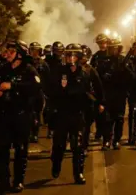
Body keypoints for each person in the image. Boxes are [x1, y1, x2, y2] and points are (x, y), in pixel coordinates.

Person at [0, 40, 42, 193]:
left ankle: (18, 181)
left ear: (19, 54)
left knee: (20, 150)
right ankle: (3, 181)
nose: (7, 54)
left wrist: (13, 86)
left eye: (11, 51)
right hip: (4, 116)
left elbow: (36, 87)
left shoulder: (29, 70)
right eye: (7, 51)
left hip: (22, 116)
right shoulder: (2, 70)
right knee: (1, 149)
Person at [50, 43, 91, 185]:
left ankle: (78, 173)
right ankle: (56, 165)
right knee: (59, 145)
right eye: (68, 55)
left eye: (74, 55)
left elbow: (88, 92)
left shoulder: (84, 73)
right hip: (62, 113)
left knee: (78, 146)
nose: (71, 58)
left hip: (77, 114)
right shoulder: (58, 72)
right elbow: (52, 91)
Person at [101, 38, 130, 150]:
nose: (114, 50)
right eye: (112, 48)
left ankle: (117, 140)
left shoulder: (124, 60)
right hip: (108, 94)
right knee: (107, 119)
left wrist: (125, 69)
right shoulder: (104, 61)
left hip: (120, 94)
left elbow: (131, 77)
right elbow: (98, 76)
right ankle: (107, 140)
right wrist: (105, 75)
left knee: (119, 118)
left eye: (115, 48)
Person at [79, 45, 104, 155]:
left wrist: (101, 102)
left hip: (87, 101)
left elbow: (98, 87)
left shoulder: (91, 70)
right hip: (74, 101)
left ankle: (84, 146)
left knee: (86, 125)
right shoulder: (70, 68)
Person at [28, 42, 50, 143]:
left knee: (36, 114)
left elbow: (47, 79)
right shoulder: (27, 63)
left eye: (36, 51)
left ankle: (35, 134)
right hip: (28, 92)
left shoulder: (43, 64)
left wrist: (45, 92)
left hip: (39, 92)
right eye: (33, 50)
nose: (34, 53)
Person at [90, 33, 109, 141]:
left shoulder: (111, 55)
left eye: (103, 42)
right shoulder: (95, 56)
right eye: (100, 43)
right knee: (98, 112)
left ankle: (107, 134)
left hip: (109, 88)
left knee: (108, 114)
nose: (102, 45)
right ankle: (99, 131)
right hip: (98, 88)